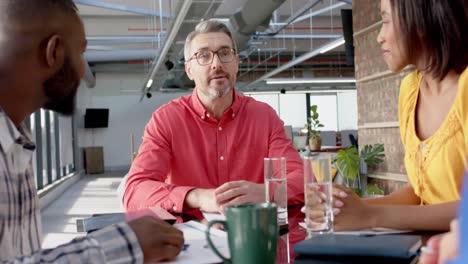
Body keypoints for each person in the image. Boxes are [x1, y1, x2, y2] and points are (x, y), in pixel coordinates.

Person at [0, 0, 183, 262]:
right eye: (81, 52)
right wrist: (123, 245)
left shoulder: (16, 144)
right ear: (54, 51)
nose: (83, 68)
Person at [305, 0, 467, 231]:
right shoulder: (410, 90)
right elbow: (420, 193)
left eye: (386, 20)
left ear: (419, 21)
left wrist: (371, 215)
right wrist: (354, 208)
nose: (380, 36)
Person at [123, 20, 304, 213]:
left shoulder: (264, 117)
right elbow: (135, 190)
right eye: (204, 56)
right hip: (191, 238)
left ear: (236, 63)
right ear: (189, 70)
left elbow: (301, 178)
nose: (216, 64)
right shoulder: (166, 120)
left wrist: (267, 192)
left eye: (225, 53)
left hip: (253, 233)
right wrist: (198, 197)